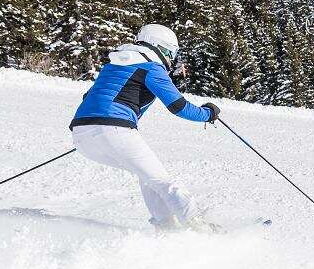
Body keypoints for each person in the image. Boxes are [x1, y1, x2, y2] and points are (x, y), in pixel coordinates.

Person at [70, 24, 220, 231]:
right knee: (164, 182)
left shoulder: (114, 65)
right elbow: (178, 106)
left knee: (148, 177)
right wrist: (208, 113)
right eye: (170, 53)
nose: (171, 59)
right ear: (159, 47)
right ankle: (199, 227)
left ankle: (168, 226)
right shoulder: (151, 66)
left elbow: (89, 97)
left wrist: (96, 131)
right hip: (113, 130)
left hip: (81, 134)